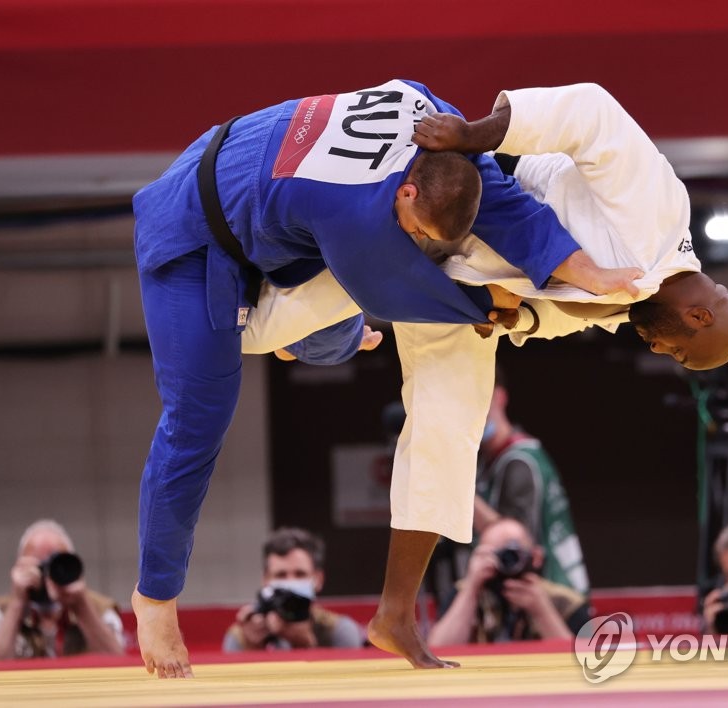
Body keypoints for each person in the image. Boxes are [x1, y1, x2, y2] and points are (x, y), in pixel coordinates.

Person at [131, 78, 640, 678]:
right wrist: (508, 309)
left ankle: (323, 336)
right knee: (200, 417)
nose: (420, 240)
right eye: (418, 226)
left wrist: (590, 271)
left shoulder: (443, 126)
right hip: (192, 231)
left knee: (341, 314)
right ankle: (155, 597)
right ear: (405, 191)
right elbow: (407, 293)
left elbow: (503, 203)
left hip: (271, 212)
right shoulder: (357, 219)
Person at [241, 82, 728, 666]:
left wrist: (518, 318)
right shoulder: (661, 211)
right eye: (681, 352)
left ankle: (395, 615)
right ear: (700, 315)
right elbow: (590, 111)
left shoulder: (632, 304)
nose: (662, 353)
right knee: (262, 329)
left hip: (469, 289)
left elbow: (554, 317)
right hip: (474, 203)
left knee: (451, 425)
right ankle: (238, 293)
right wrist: (472, 133)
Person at [472, 368, 588, 596]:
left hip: (555, 598)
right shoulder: (488, 461)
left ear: (499, 397)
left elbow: (514, 542)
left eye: (478, 398)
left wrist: (452, 488)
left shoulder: (520, 462)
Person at [0, 519, 125, 662]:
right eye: (38, 566)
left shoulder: (99, 608)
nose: (47, 576)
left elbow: (117, 663)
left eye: (56, 566)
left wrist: (81, 605)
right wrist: (17, 603)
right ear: (20, 567)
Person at [427, 518, 592, 645]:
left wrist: (542, 611)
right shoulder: (462, 593)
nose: (504, 561)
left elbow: (579, 660)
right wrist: (471, 589)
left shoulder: (566, 601)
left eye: (513, 554)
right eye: (495, 554)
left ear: (535, 557)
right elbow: (438, 649)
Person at [222, 528, 362, 652]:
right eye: (280, 575)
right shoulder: (244, 635)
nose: (290, 582)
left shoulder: (338, 631)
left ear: (318, 579)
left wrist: (306, 645)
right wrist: (251, 649)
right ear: (265, 579)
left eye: (300, 574)